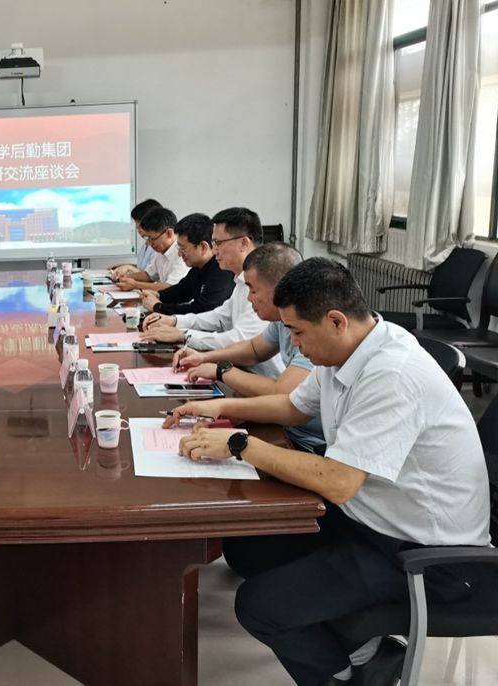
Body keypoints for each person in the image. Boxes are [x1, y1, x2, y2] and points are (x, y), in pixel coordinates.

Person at [165, 258, 491, 686]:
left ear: (336, 320)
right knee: (249, 547)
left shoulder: (392, 374)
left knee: (260, 606)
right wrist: (219, 406)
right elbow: (293, 407)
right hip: (372, 519)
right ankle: (368, 654)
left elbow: (338, 482)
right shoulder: (350, 348)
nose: (293, 345)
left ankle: (344, 677)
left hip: (425, 556)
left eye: (298, 332)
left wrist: (240, 445)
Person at [170, 242, 324, 453]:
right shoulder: (282, 321)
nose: (249, 298)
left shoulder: (313, 330)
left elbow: (282, 393)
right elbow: (254, 349)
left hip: (307, 443)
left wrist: (221, 371)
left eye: (253, 289)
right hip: (285, 427)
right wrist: (205, 358)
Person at [141, 207, 282, 377]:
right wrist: (175, 320)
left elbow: (240, 339)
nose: (214, 251)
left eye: (218, 243)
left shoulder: (264, 283)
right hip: (236, 369)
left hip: (260, 378)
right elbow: (219, 317)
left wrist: (183, 335)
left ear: (244, 244)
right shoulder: (240, 279)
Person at [137, 213, 234, 316]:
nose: (179, 254)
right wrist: (158, 295)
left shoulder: (221, 270)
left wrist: (159, 307)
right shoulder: (198, 268)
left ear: (203, 247)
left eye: (182, 248)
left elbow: (202, 310)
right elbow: (181, 291)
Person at [112, 206, 189, 291]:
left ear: (169, 233)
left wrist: (135, 285)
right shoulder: (160, 251)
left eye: (152, 238)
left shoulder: (182, 253)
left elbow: (171, 287)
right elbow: (149, 275)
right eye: (147, 238)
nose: (150, 243)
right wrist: (125, 277)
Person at [110, 198, 162, 277]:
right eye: (136, 222)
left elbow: (153, 277)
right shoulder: (146, 244)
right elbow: (144, 268)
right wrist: (127, 266)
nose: (137, 227)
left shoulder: (159, 247)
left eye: (140, 222)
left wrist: (129, 268)